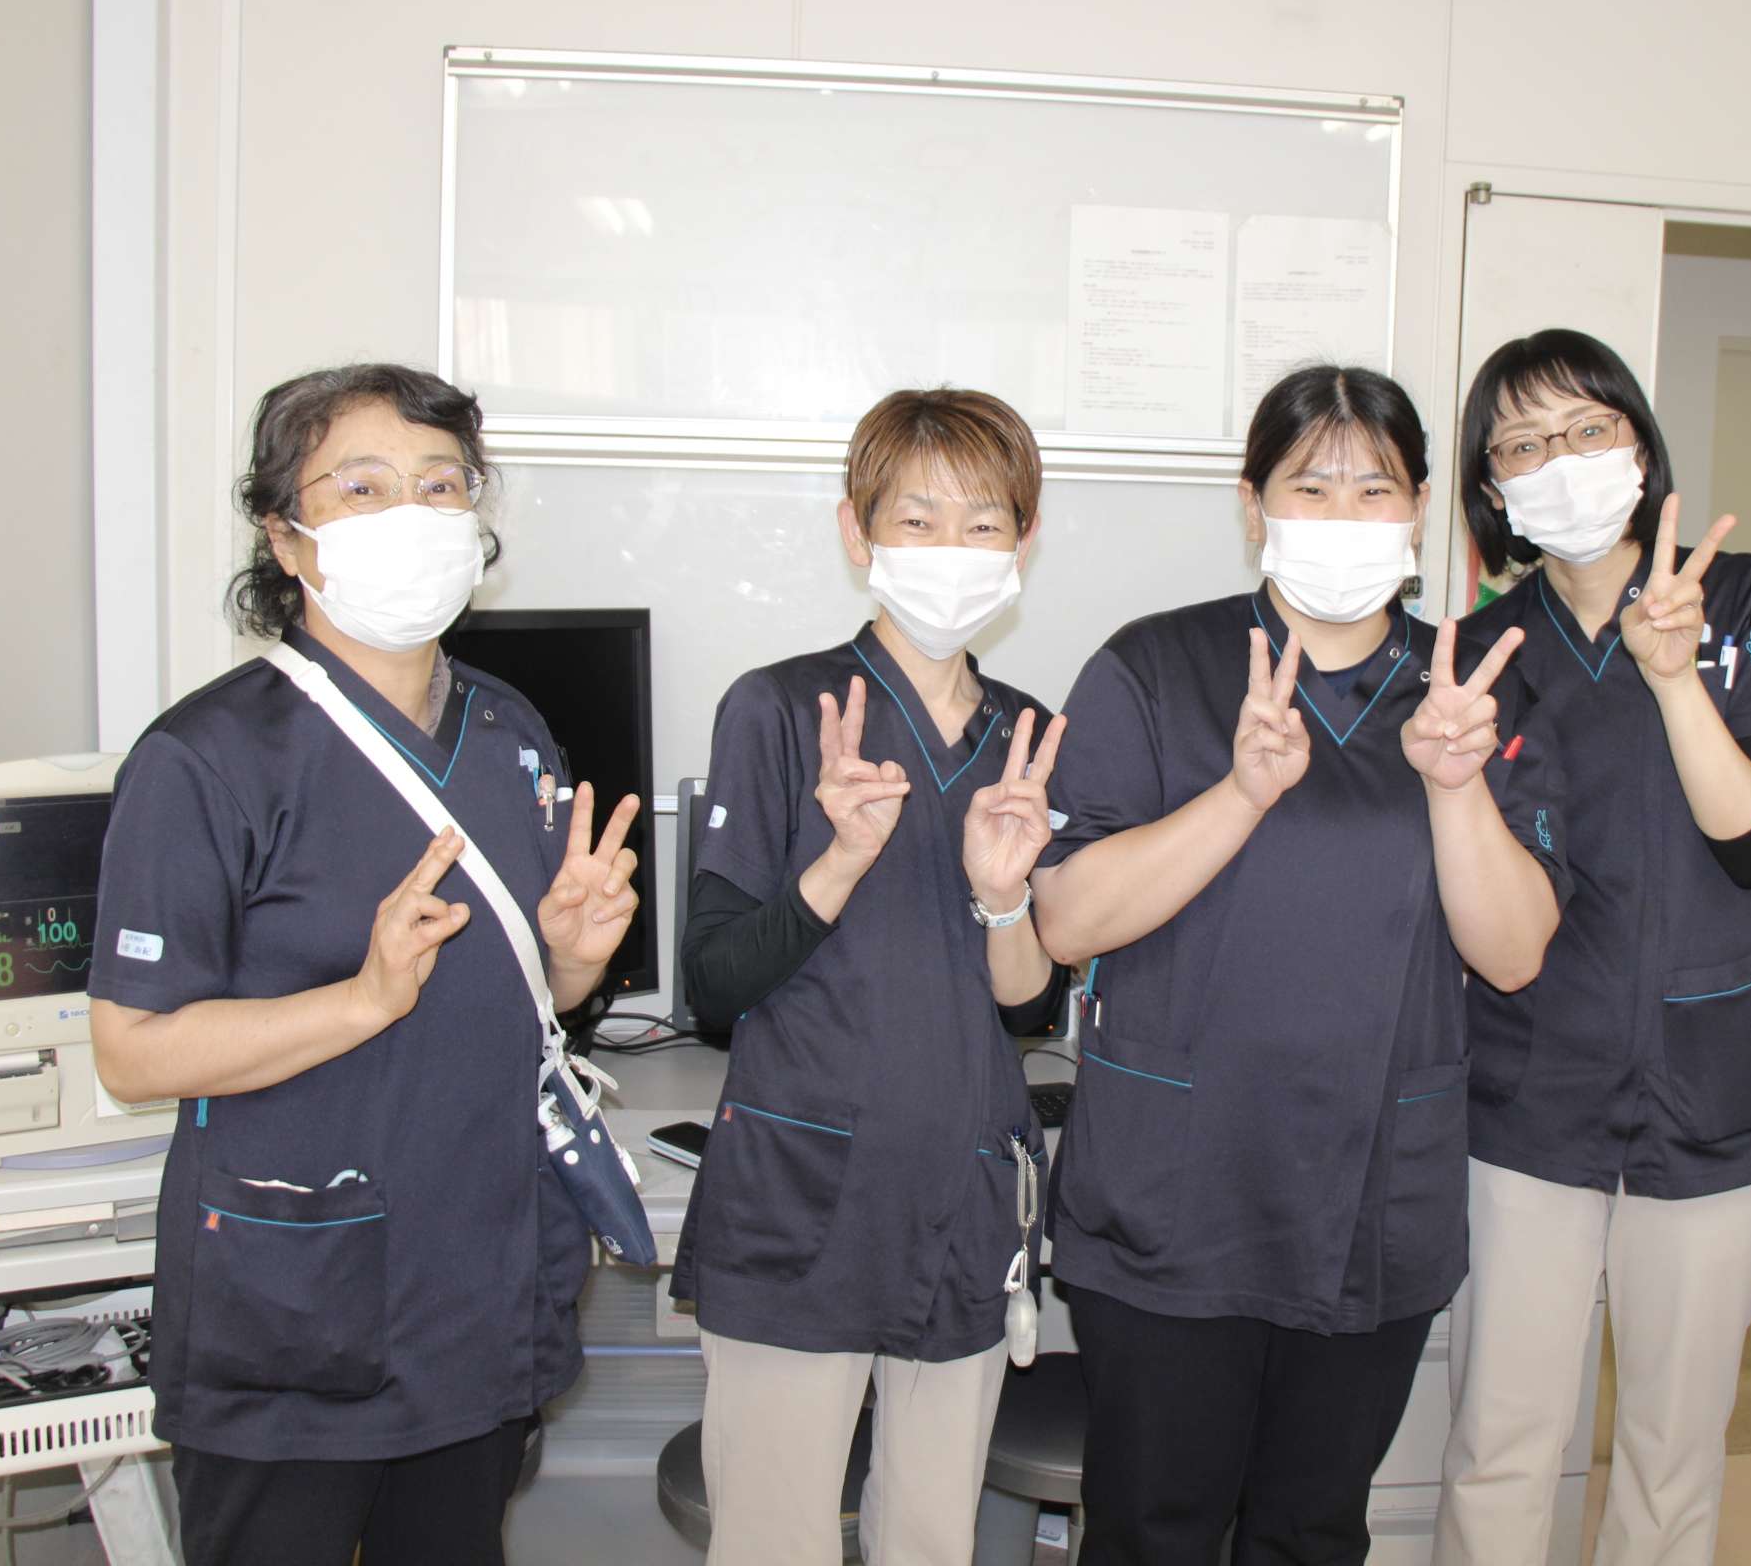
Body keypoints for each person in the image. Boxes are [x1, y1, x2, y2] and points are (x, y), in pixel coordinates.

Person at [88, 364, 642, 1566]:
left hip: (476, 1286)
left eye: (440, 485)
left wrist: (570, 961)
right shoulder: (205, 759)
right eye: (362, 487)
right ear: (284, 537)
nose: (413, 513)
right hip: (296, 1307)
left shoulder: (510, 732)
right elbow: (133, 1052)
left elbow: (522, 1006)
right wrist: (360, 1001)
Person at [1031, 364, 1568, 1566]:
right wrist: (1239, 793)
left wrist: (1455, 786)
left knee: (1311, 1535)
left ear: (1419, 507)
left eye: (1374, 489)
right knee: (1154, 1532)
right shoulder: (1153, 668)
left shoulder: (1475, 686)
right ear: (1252, 505)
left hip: (1372, 1195)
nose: (1342, 515)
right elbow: (1066, 922)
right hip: (1177, 1194)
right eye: (1308, 487)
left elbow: (1515, 953)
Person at [1434, 329, 1751, 1566]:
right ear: (1491, 488)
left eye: (1586, 428)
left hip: (1715, 1096)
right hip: (1529, 1095)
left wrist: (1674, 678)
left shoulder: (1747, 600)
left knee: (1670, 1458)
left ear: (1641, 447)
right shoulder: (1484, 654)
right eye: (1522, 443)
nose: (1559, 459)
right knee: (1502, 1443)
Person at [673, 388, 1066, 1566]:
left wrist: (1004, 896)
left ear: (1023, 541)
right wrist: (840, 859)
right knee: (775, 1539)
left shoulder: (1028, 735)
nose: (954, 548)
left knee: (932, 1538)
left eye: (984, 522)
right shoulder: (781, 711)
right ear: (859, 533)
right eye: (918, 519)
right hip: (804, 1198)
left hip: (962, 1190)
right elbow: (714, 984)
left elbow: (1031, 1003)